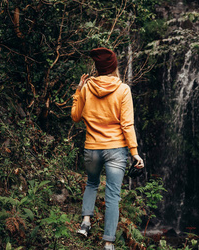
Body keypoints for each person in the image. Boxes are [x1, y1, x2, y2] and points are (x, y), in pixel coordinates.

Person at [71, 47, 144, 250]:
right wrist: (134, 152)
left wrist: (78, 90)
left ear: (97, 67)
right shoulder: (123, 90)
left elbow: (76, 117)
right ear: (114, 67)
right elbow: (127, 124)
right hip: (116, 149)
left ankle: (85, 223)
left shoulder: (86, 88)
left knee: (92, 183)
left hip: (92, 147)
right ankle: (108, 244)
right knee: (113, 195)